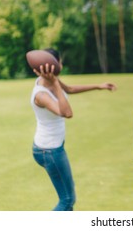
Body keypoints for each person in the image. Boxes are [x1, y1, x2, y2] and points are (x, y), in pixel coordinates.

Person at [30, 48, 116, 210]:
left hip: (50, 148)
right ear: (54, 65)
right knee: (67, 199)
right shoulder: (41, 94)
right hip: (49, 151)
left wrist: (99, 86)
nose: (62, 64)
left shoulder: (50, 82)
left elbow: (68, 89)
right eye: (60, 61)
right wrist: (55, 83)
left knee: (67, 199)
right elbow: (67, 113)